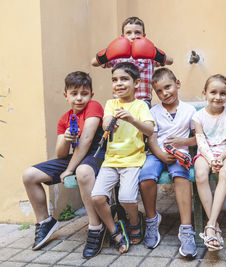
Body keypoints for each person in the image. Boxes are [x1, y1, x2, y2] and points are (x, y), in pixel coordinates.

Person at [22, 71, 107, 258]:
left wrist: (70, 169)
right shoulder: (65, 119)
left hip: (97, 154)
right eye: (74, 93)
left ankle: (95, 226)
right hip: (75, 156)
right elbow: (61, 153)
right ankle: (45, 222)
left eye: (84, 93)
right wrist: (66, 138)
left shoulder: (94, 107)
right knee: (29, 175)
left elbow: (86, 140)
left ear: (91, 95)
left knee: (83, 172)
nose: (79, 98)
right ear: (65, 95)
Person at [91, 62, 154, 254]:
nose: (119, 83)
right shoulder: (111, 104)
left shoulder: (141, 105)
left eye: (124, 79)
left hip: (133, 160)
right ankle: (115, 231)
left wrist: (132, 119)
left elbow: (150, 130)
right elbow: (106, 122)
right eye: (115, 80)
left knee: (127, 198)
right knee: (97, 197)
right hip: (111, 160)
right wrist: (109, 122)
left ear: (136, 83)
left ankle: (135, 222)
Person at [138, 68, 198, 258]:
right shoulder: (153, 111)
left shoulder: (189, 110)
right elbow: (152, 139)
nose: (165, 94)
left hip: (179, 152)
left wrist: (183, 142)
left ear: (177, 84)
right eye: (159, 91)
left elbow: (198, 138)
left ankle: (186, 230)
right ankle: (151, 220)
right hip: (157, 153)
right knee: (146, 175)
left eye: (168, 87)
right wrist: (161, 155)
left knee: (181, 177)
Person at [193, 74, 226, 251]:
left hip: (225, 153)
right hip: (206, 153)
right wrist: (211, 159)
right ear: (205, 93)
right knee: (200, 173)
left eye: (222, 93)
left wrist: (220, 158)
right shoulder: (198, 117)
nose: (217, 97)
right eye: (213, 92)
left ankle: (210, 225)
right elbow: (201, 141)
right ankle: (215, 225)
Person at [91, 16, 173, 108]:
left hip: (142, 102)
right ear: (123, 36)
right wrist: (109, 52)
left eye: (137, 32)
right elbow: (94, 62)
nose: (133, 36)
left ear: (144, 36)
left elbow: (170, 61)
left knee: (143, 122)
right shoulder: (117, 52)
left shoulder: (149, 53)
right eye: (128, 33)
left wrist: (154, 52)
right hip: (119, 101)